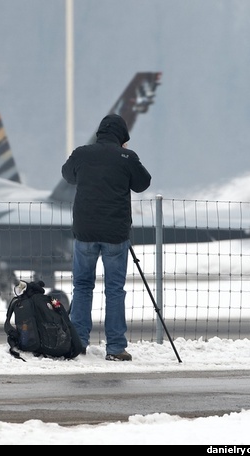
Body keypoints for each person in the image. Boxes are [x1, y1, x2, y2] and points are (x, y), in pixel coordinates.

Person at [61, 114, 152, 361]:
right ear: (122, 137)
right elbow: (143, 184)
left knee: (82, 286)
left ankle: (78, 342)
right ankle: (115, 347)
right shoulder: (127, 157)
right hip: (115, 234)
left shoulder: (82, 153)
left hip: (85, 232)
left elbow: (68, 175)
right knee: (114, 289)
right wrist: (125, 154)